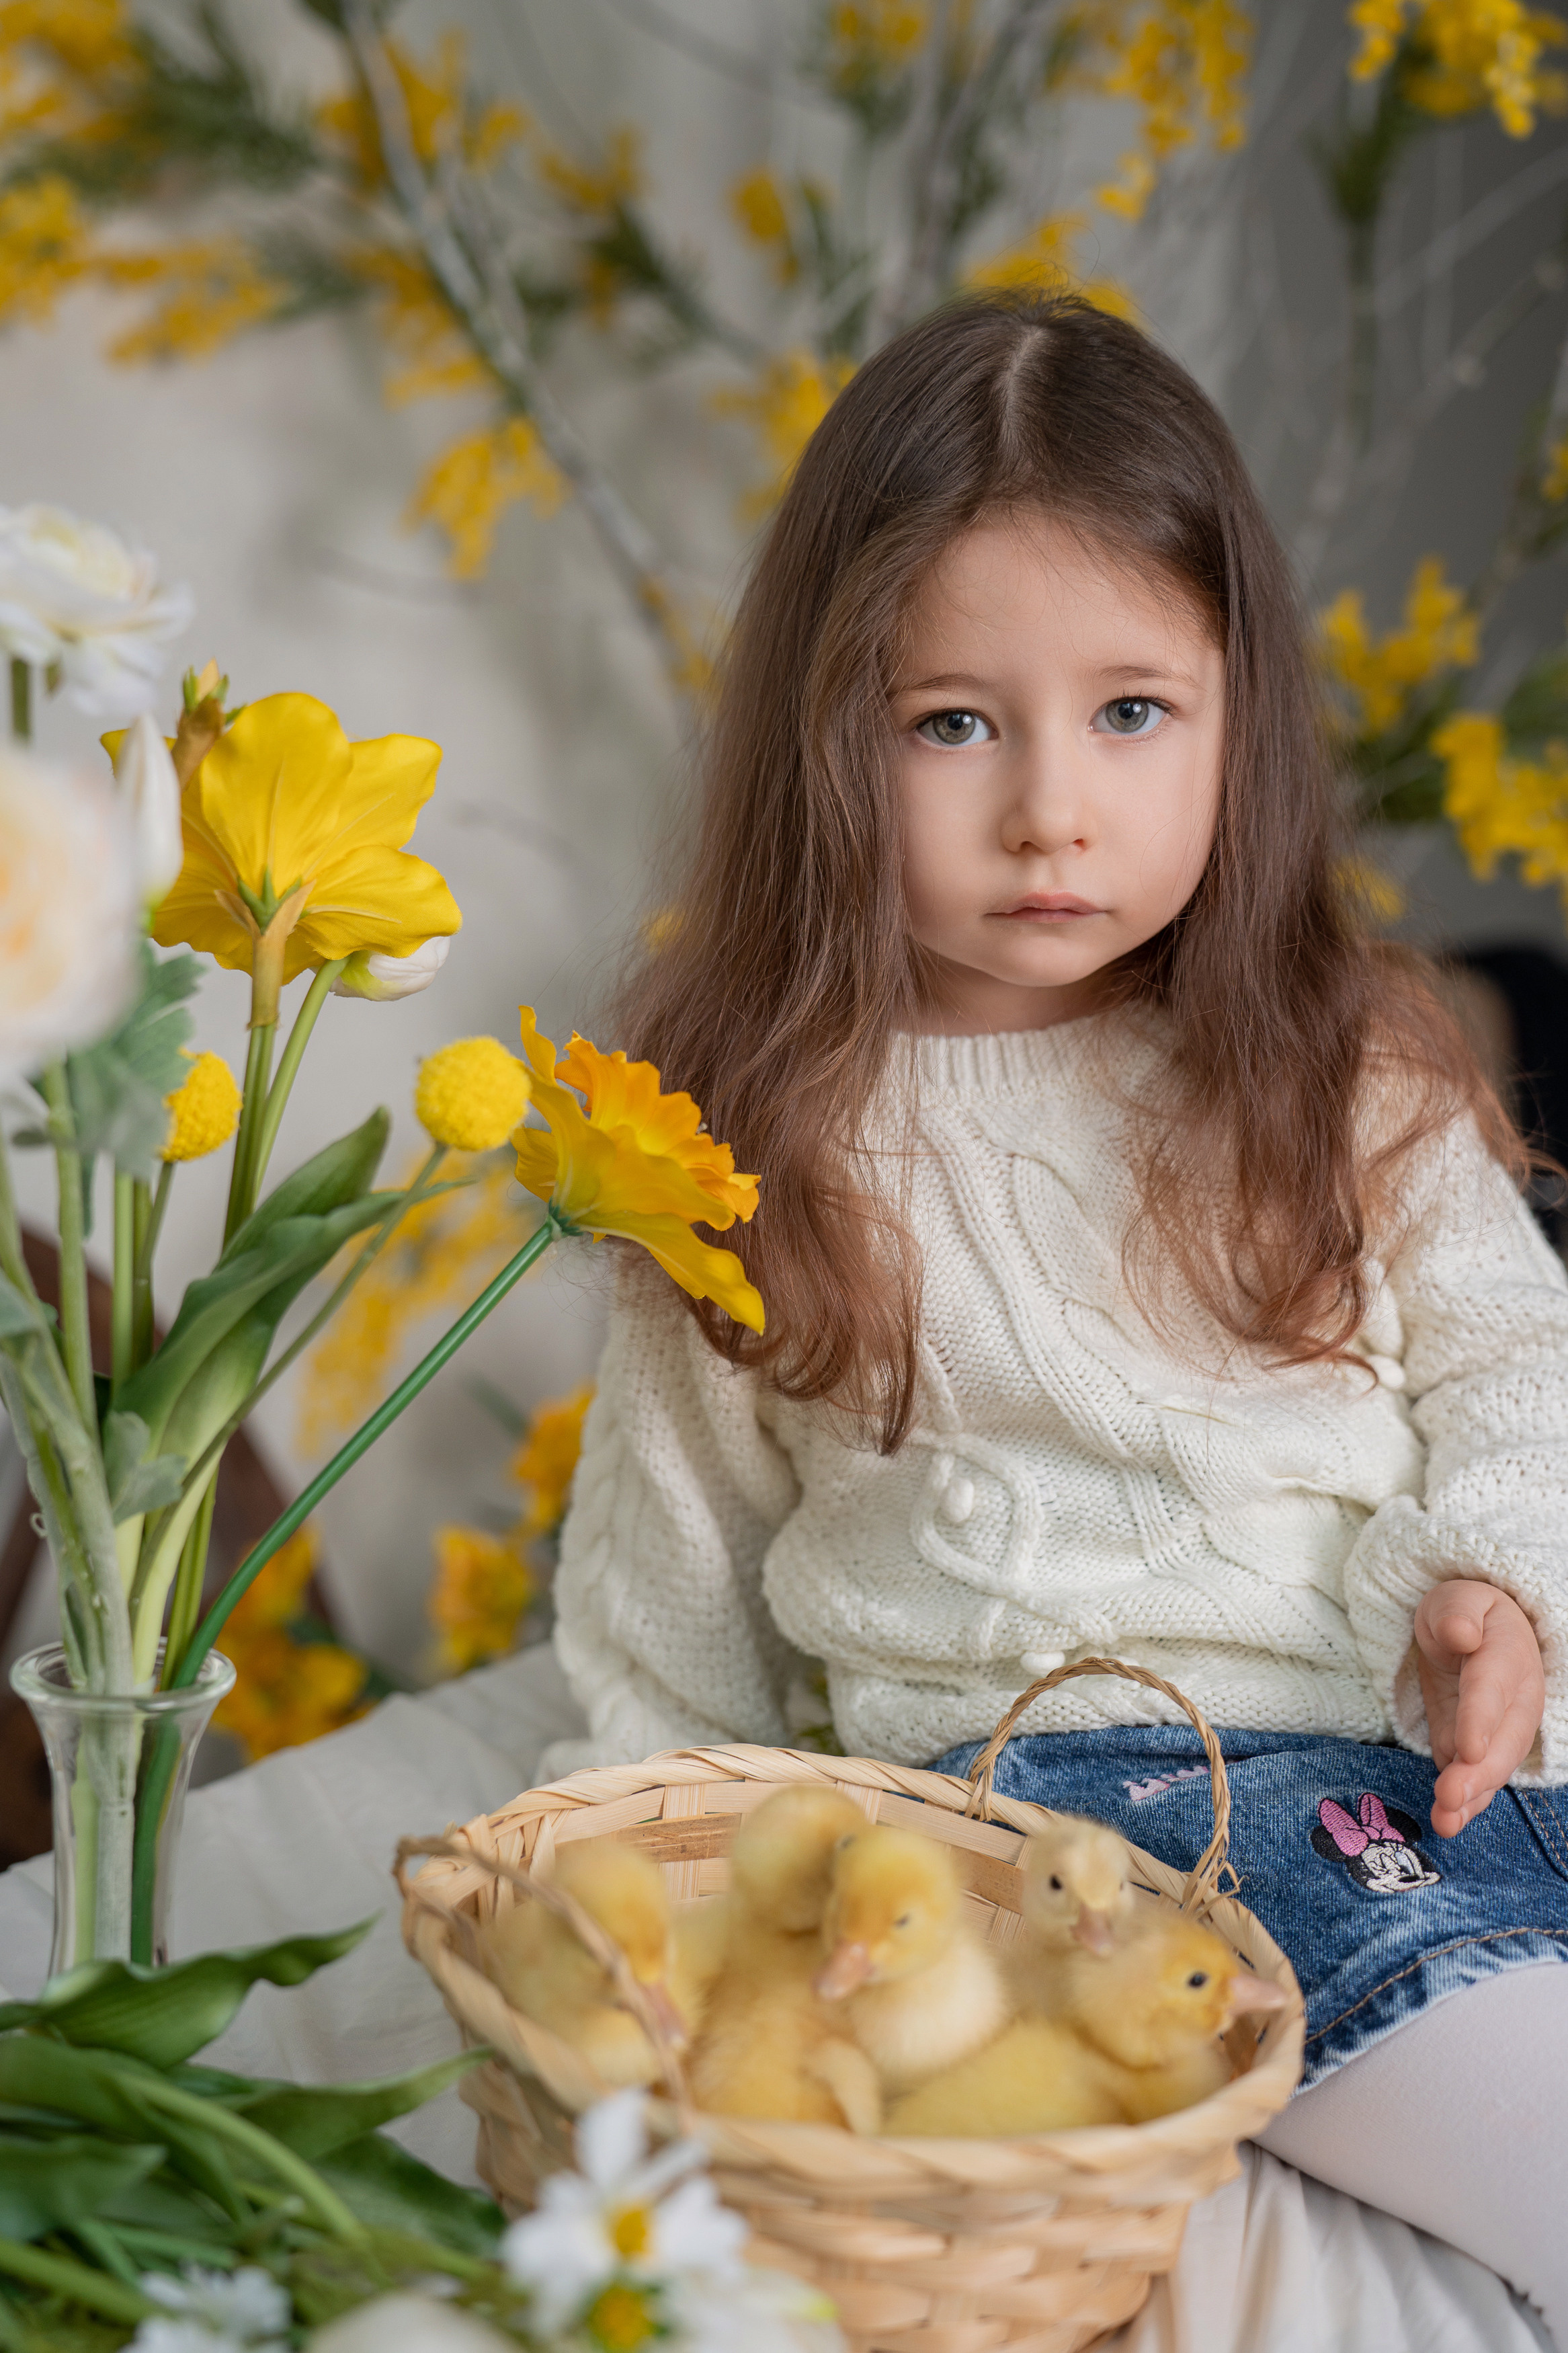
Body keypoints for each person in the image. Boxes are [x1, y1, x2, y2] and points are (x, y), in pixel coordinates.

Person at [541, 294, 1568, 2340]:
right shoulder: (753, 1146)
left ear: (1239, 718)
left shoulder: (1346, 1060)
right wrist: (673, 1958)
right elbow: (664, 1627)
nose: (1048, 811)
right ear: (835, 737)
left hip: (1440, 1766)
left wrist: (1500, 1575)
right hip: (1107, 1826)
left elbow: (1513, 1364)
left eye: (1130, 714)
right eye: (954, 723)